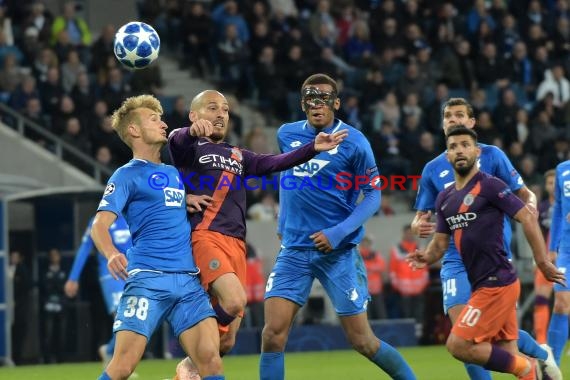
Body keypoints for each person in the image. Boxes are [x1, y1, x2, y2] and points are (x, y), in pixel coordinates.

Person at [167, 88, 347, 379]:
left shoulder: (239, 155)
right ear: (194, 114)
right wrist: (190, 131)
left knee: (226, 340)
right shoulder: (190, 148)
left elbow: (275, 162)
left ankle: (187, 369)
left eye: (225, 110)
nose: (220, 114)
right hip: (206, 236)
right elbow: (174, 140)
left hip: (237, 245)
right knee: (235, 301)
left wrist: (313, 147)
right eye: (212, 108)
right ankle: (188, 357)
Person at [260, 73, 416, 380]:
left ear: (337, 104)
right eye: (311, 99)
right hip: (293, 251)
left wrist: (338, 232)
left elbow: (373, 194)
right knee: (272, 335)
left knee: (362, 341)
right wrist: (283, 220)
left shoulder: (355, 142)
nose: (318, 105)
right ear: (303, 104)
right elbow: (287, 179)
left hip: (338, 253)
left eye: (325, 99)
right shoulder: (286, 134)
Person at [411, 97, 560, 380]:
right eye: (448, 117)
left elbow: (524, 194)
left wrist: (529, 207)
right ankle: (531, 365)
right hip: (456, 260)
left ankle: (536, 358)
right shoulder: (434, 173)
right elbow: (423, 218)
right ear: (443, 126)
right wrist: (419, 229)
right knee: (466, 335)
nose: (454, 121)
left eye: (459, 116)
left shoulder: (492, 161)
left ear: (472, 124)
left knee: (476, 340)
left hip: (495, 261)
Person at [90, 94, 224, 380]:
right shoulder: (125, 176)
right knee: (123, 366)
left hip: (187, 281)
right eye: (154, 119)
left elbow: (163, 203)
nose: (163, 124)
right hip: (148, 280)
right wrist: (112, 252)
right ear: (134, 131)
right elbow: (99, 225)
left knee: (210, 360)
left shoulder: (172, 173)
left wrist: (185, 200)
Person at [64, 214, 132, 364]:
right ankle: (119, 363)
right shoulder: (100, 219)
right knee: (122, 316)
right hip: (111, 274)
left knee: (132, 319)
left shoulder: (134, 214)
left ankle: (108, 350)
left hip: (133, 273)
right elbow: (84, 248)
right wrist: (73, 278)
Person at [547, 159, 570, 365]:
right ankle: (551, 367)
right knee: (561, 303)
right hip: (567, 250)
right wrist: (552, 247)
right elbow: (558, 210)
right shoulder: (562, 169)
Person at [389, 225, 429, 323]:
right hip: (403, 290)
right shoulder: (397, 249)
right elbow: (393, 269)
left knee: (419, 313)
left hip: (419, 288)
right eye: (407, 233)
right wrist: (396, 285)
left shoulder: (420, 248)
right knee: (406, 314)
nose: (409, 235)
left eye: (411, 233)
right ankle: (408, 333)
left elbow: (425, 267)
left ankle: (419, 334)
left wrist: (424, 284)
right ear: (403, 234)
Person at [534, 170, 555, 344]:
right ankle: (542, 341)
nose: (552, 186)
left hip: (565, 257)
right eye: (549, 183)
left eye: (555, 182)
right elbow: (538, 233)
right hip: (547, 259)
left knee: (565, 302)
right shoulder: (542, 208)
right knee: (541, 299)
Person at [42, 248, 67, 363]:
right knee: (48, 334)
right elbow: (44, 288)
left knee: (61, 333)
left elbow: (64, 289)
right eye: (52, 255)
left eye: (56, 255)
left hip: (61, 306)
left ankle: (60, 359)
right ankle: (47, 359)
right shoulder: (45, 271)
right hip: (49, 306)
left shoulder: (64, 271)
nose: (54, 257)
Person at [9, 250, 32, 365]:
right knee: (9, 333)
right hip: (7, 310)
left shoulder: (23, 270)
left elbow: (27, 286)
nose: (13, 259)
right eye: (12, 256)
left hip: (19, 309)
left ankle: (17, 358)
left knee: (19, 333)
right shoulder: (5, 269)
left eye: (16, 257)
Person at [359, 235, 387, 320]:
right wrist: (372, 267)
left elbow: (382, 266)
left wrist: (368, 267)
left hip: (376, 289)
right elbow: (357, 268)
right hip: (363, 290)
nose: (365, 246)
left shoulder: (376, 255)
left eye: (367, 244)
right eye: (363, 244)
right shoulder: (357, 256)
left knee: (380, 312)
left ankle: (384, 331)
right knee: (366, 314)